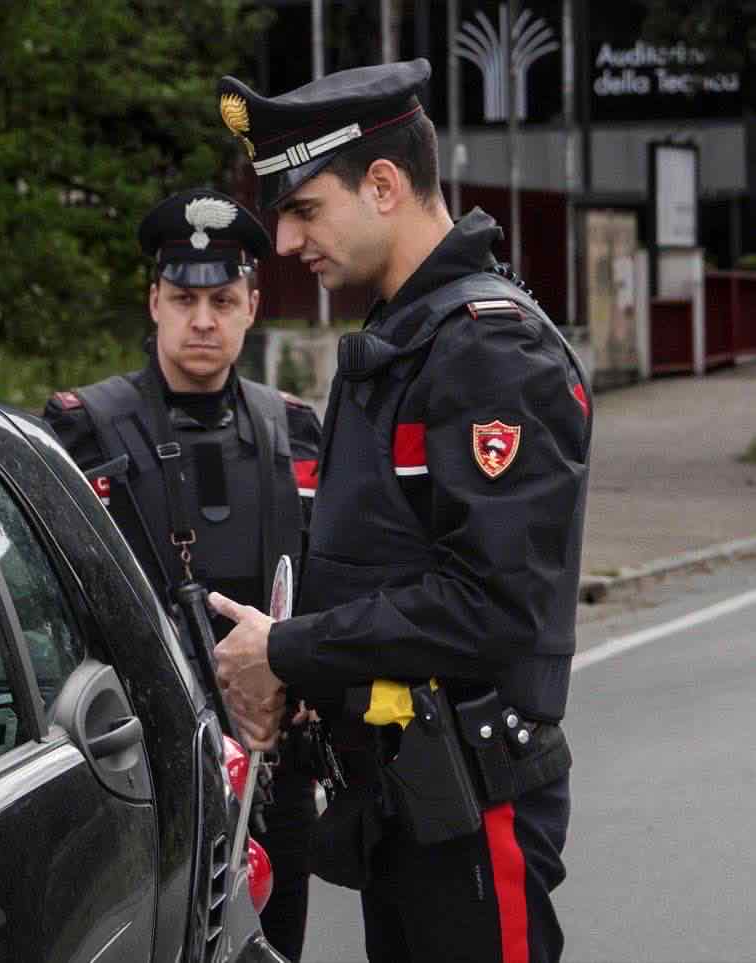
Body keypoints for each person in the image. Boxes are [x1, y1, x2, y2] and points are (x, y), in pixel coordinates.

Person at [208, 60, 592, 963]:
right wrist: (301, 683)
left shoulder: (490, 351)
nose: (288, 239)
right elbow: (386, 574)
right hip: (402, 799)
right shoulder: (403, 343)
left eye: (303, 209)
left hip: (469, 804)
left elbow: (492, 606)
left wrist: (288, 650)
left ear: (383, 185)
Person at [42, 188, 322, 960]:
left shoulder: (296, 429)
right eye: (185, 298)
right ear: (154, 302)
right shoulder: (82, 428)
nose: (204, 319)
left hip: (271, 764)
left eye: (223, 299)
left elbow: (329, 582)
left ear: (253, 304)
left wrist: (309, 693)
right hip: (140, 770)